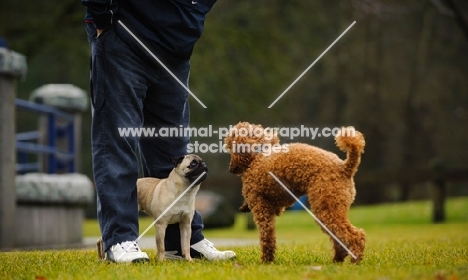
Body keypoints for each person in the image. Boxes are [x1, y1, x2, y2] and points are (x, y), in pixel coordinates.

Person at [82, 0, 236, 263]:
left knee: (173, 149)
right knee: (117, 142)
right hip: (124, 36)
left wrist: (194, 13)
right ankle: (120, 239)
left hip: (175, 51)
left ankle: (183, 243)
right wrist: (103, 17)